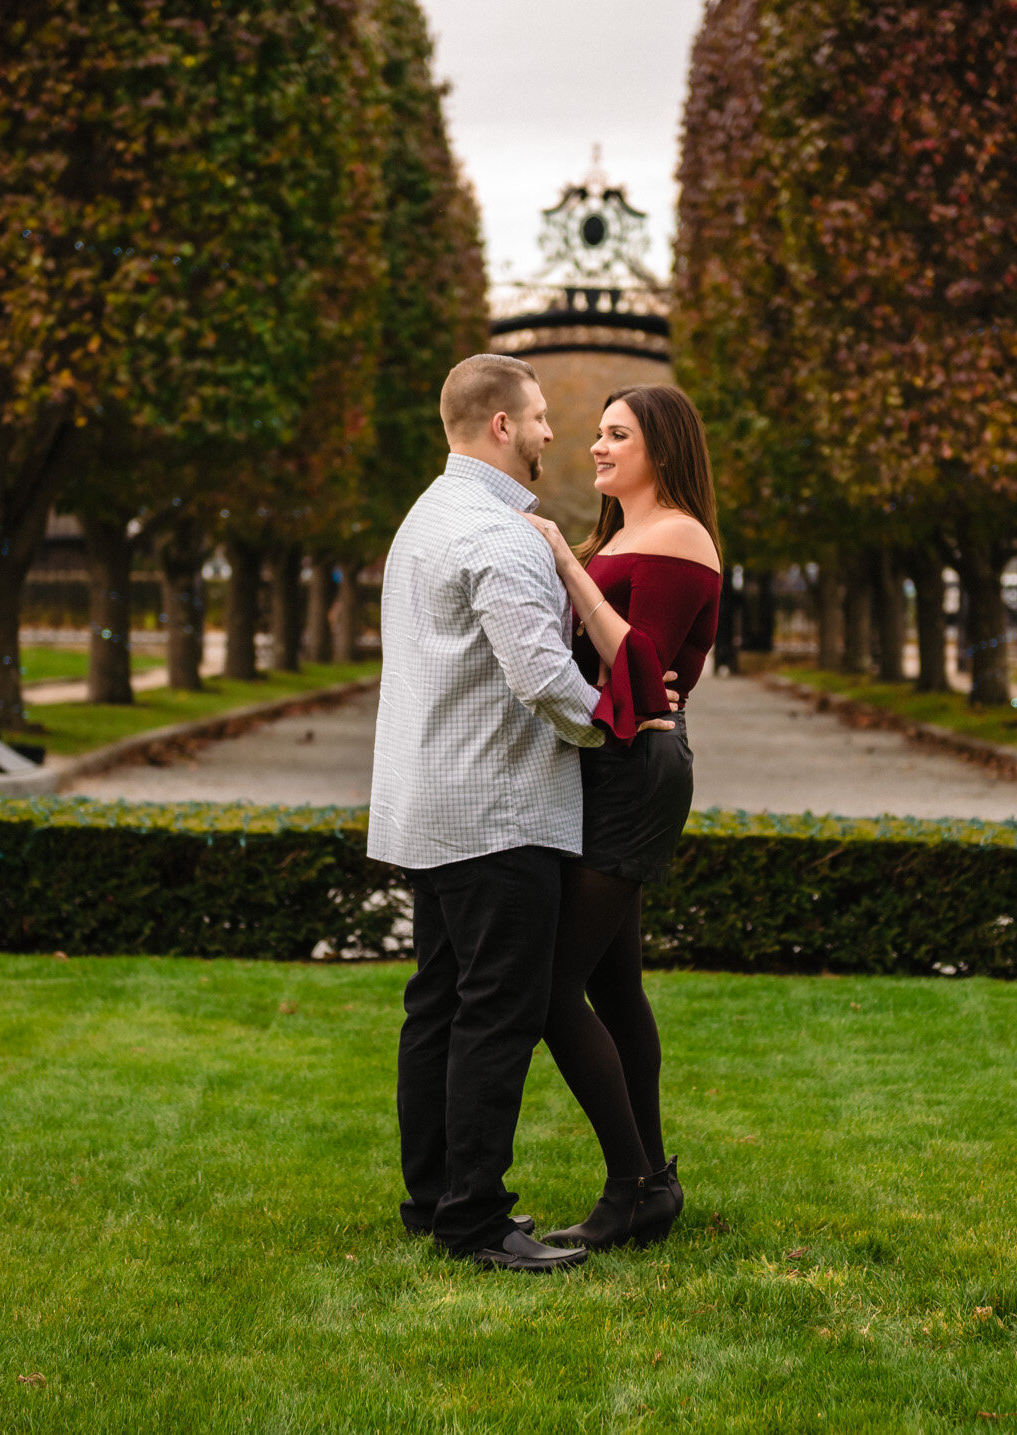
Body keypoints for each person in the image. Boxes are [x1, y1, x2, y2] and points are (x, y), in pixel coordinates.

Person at [368, 353, 618, 1273]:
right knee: (495, 1015)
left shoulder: (424, 521)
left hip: (432, 806)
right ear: (502, 425)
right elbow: (543, 676)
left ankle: (433, 1198)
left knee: (436, 1004)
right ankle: (475, 1219)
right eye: (543, 416)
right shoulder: (503, 535)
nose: (555, 433)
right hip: (500, 813)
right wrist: (621, 724)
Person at [520, 385, 723, 1251]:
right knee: (613, 984)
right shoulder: (624, 536)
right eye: (599, 433)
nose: (597, 448)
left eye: (616, 434)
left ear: (662, 448)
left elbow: (638, 666)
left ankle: (632, 1181)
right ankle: (655, 1180)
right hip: (606, 763)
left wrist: (568, 564)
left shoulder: (679, 537)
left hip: (639, 769)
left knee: (551, 987)